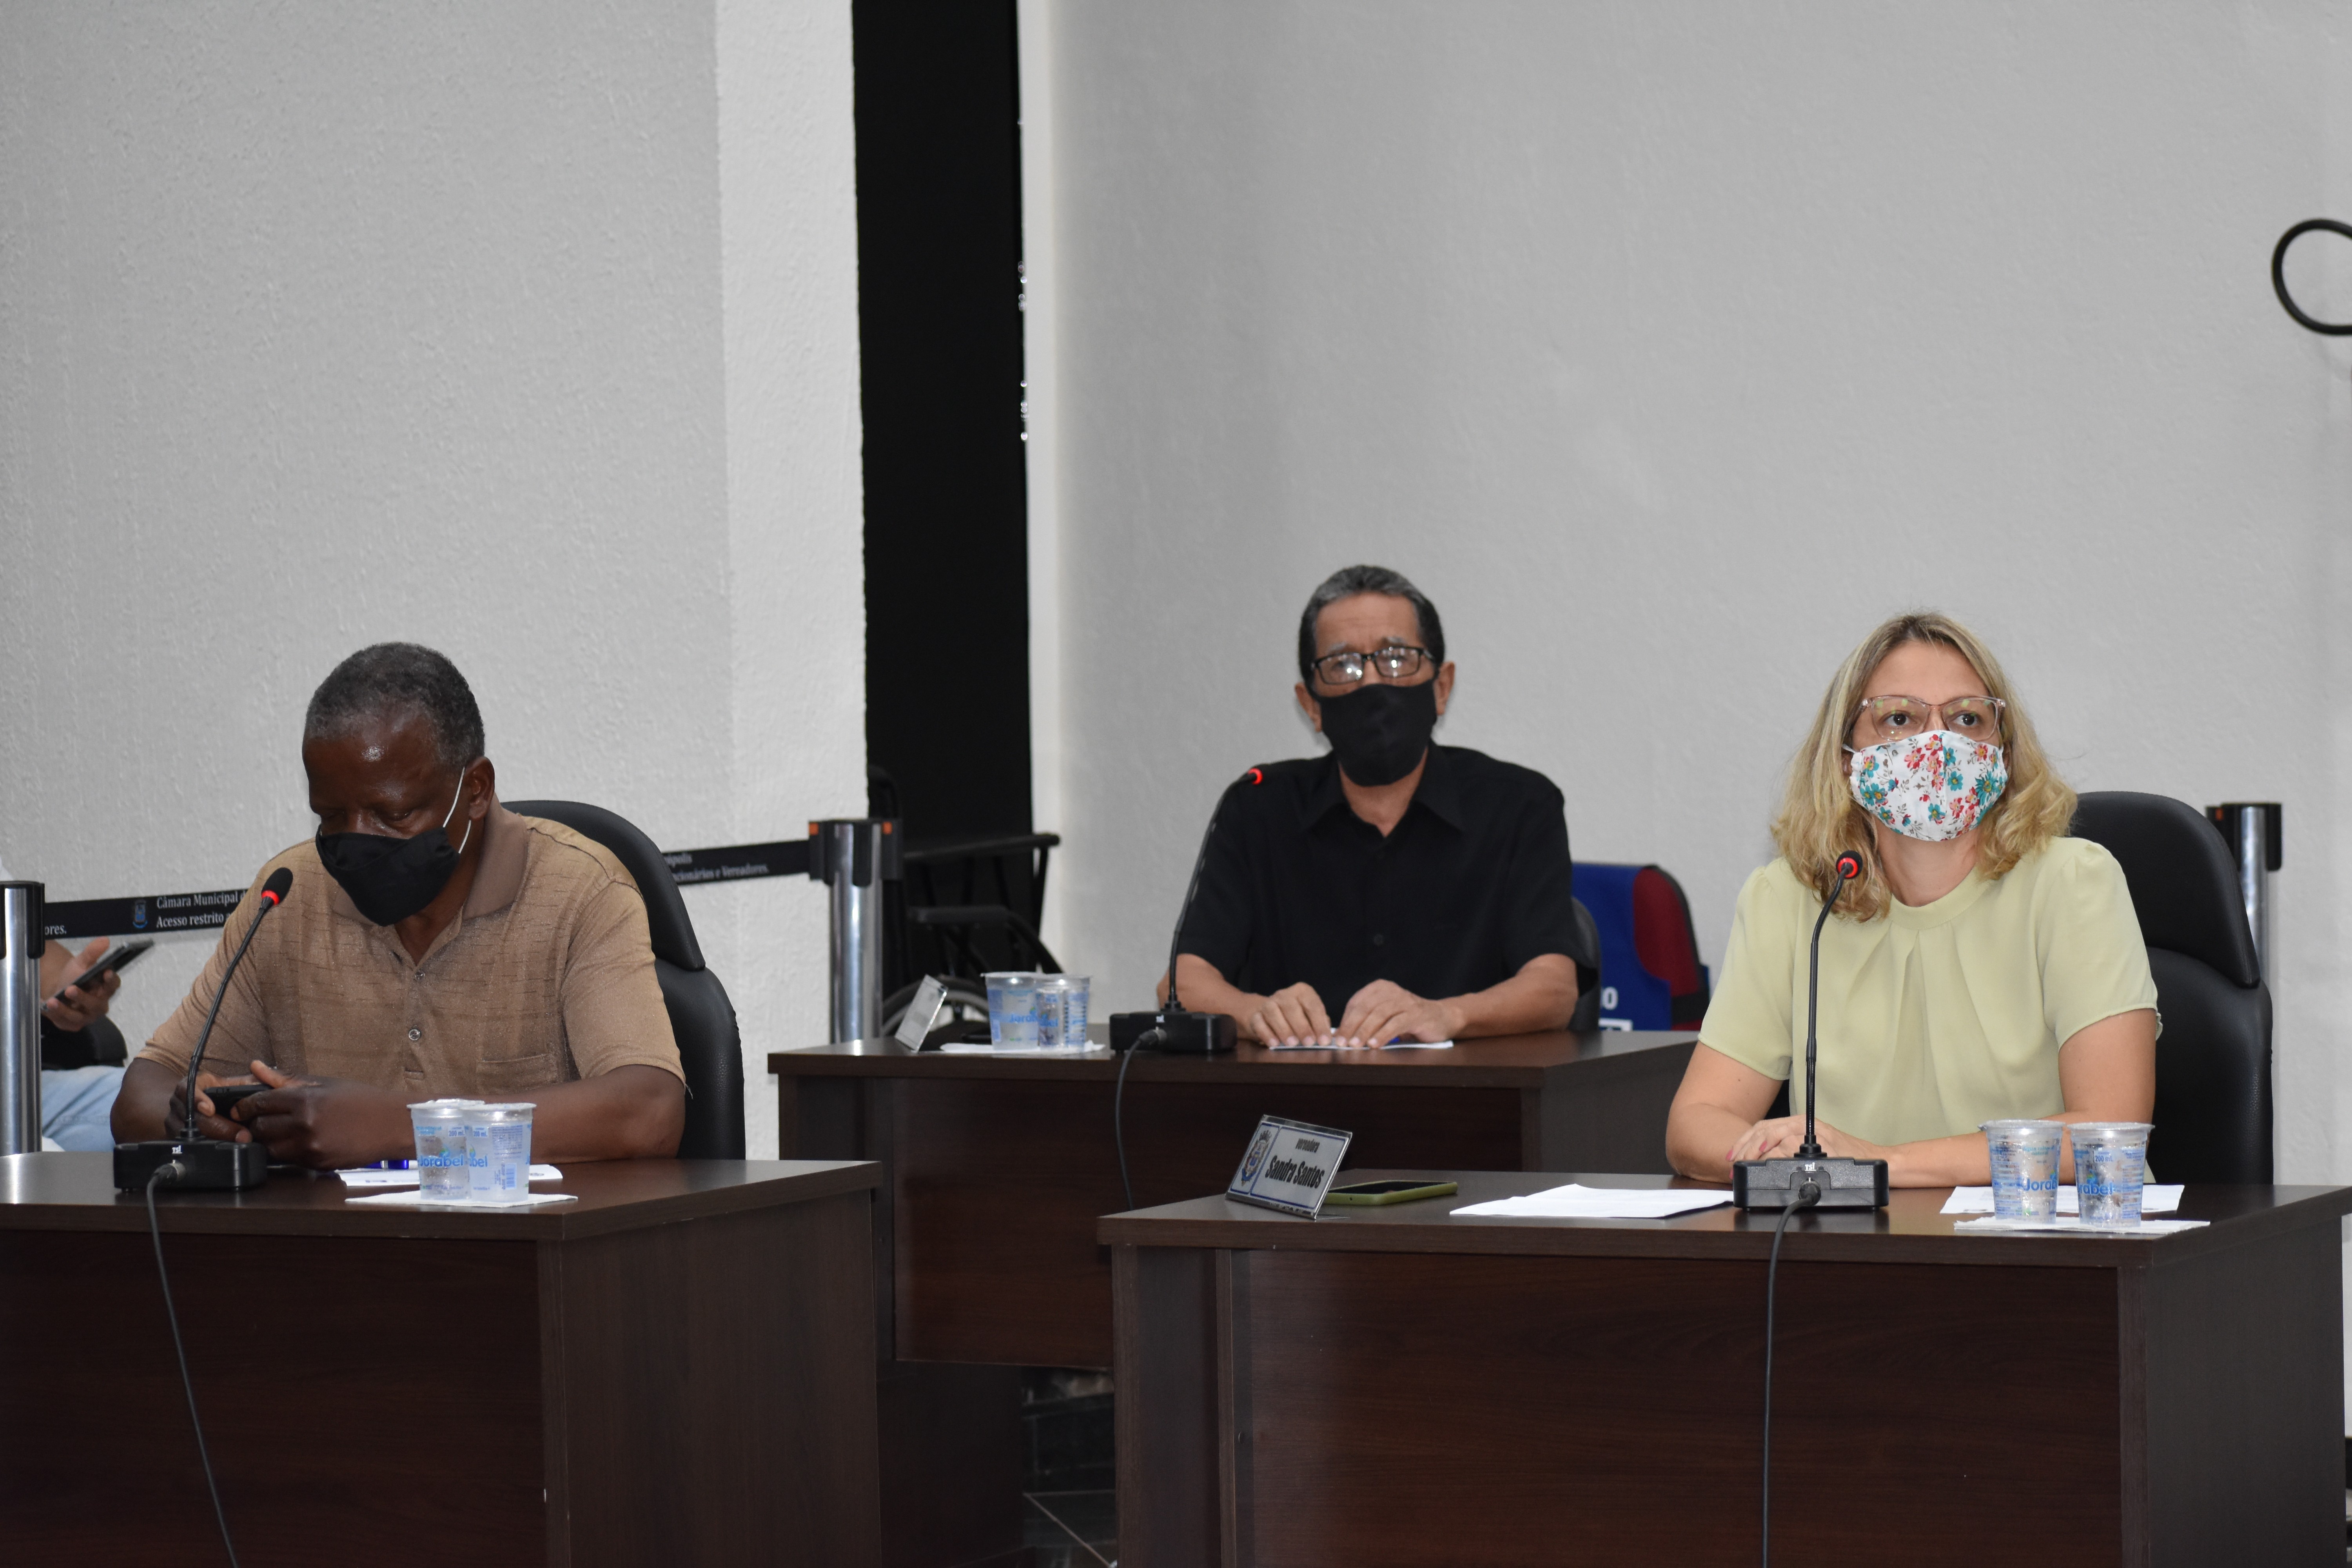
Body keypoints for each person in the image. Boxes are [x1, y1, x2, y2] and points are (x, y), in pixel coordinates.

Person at [112, 642, 685, 1167]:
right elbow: (140, 1096)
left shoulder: (580, 891)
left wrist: (403, 1127)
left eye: (393, 815)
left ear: (476, 790)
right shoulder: (288, 896)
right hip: (333, 1240)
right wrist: (196, 1118)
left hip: (526, 1240)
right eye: (332, 816)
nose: (359, 839)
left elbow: (652, 1112)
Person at [1665, 611, 2157, 1187]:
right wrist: (1786, 1159)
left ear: (2002, 752)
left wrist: (1875, 1164)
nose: (1937, 743)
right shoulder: (1790, 899)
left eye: (1967, 718)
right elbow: (1695, 1122)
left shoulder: (2074, 883)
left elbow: (2109, 1131)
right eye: (1899, 718)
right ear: (1845, 756)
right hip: (1864, 1237)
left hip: (2045, 1234)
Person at [1168, 564, 1583, 1046]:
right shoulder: (1256, 809)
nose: (1370, 683)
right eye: (1342, 665)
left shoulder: (1519, 807)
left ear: (1442, 687)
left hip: (1467, 1087)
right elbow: (1182, 985)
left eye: (1396, 658)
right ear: (1312, 704)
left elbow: (1554, 989)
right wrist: (1256, 1013)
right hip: (1298, 1088)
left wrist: (1448, 1015)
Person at [0, 849, 129, 1150]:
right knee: (46, 1162)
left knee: (160, 1104)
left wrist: (68, 989)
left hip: (17, 1087)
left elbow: (23, 940)